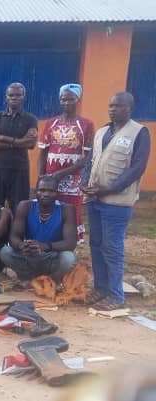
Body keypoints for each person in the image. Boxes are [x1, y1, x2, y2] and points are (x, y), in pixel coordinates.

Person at [81, 92, 151, 311]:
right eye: (111, 105)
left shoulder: (139, 132)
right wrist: (84, 181)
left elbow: (137, 167)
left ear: (130, 108)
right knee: (96, 245)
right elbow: (90, 161)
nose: (113, 109)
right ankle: (101, 289)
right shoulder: (102, 131)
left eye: (119, 106)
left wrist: (111, 188)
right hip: (94, 198)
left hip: (117, 202)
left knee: (112, 248)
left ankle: (116, 296)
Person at [0, 175, 78, 291]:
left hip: (53, 256)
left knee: (69, 258)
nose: (46, 194)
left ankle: (52, 281)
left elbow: (70, 243)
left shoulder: (66, 209)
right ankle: (28, 279)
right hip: (30, 254)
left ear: (57, 193)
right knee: (5, 252)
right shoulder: (25, 206)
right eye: (42, 190)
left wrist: (45, 246)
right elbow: (14, 236)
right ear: (35, 192)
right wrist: (22, 245)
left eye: (51, 191)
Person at [38, 84, 95, 241]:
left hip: (73, 179)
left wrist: (61, 174)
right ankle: (50, 244)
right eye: (63, 99)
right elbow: (43, 153)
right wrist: (41, 177)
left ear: (78, 100)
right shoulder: (51, 123)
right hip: (50, 178)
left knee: (71, 212)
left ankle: (69, 247)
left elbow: (88, 157)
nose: (66, 103)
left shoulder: (86, 124)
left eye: (71, 99)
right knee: (50, 210)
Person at [0, 83, 39, 211]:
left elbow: (31, 144)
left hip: (20, 169)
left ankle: (16, 226)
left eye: (18, 95)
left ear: (24, 97)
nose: (14, 98)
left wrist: (5, 139)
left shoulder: (30, 119)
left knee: (19, 207)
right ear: (6, 97)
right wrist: (18, 142)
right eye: (11, 95)